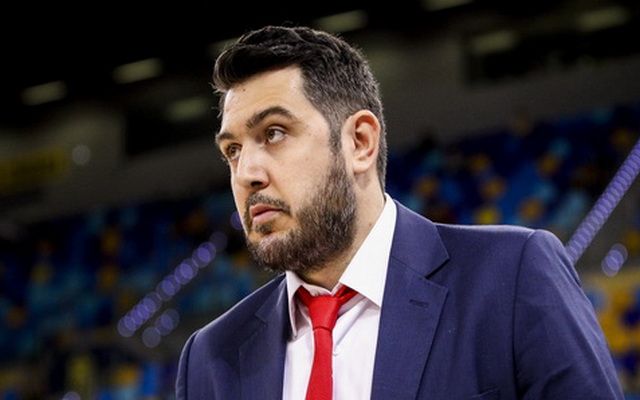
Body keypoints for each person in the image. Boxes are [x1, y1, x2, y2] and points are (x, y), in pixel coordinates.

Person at [176, 25, 623, 399]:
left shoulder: (512, 276)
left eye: (274, 133)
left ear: (360, 142)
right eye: (232, 150)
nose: (246, 173)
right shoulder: (208, 358)